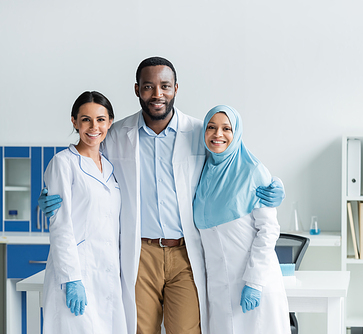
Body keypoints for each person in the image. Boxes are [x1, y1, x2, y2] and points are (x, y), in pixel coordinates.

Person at [39, 56, 285, 334]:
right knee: (142, 330)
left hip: (185, 255)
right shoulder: (117, 133)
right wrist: (49, 196)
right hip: (140, 253)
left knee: (186, 330)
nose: (157, 94)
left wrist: (271, 185)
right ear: (137, 90)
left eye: (165, 86)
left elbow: (231, 159)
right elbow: (85, 165)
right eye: (148, 87)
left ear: (176, 89)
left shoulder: (198, 131)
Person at [193, 105, 290, 334]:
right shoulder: (202, 172)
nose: (218, 134)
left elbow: (268, 231)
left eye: (226, 128)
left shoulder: (253, 171)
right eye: (211, 127)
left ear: (236, 133)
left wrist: (254, 283)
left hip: (255, 284)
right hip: (218, 290)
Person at [42, 91, 127, 333]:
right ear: (74, 122)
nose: (94, 127)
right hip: (76, 273)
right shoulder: (63, 163)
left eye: (100, 119)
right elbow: (61, 226)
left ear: (110, 122)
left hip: (108, 275)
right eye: (86, 119)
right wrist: (71, 279)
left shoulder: (110, 166)